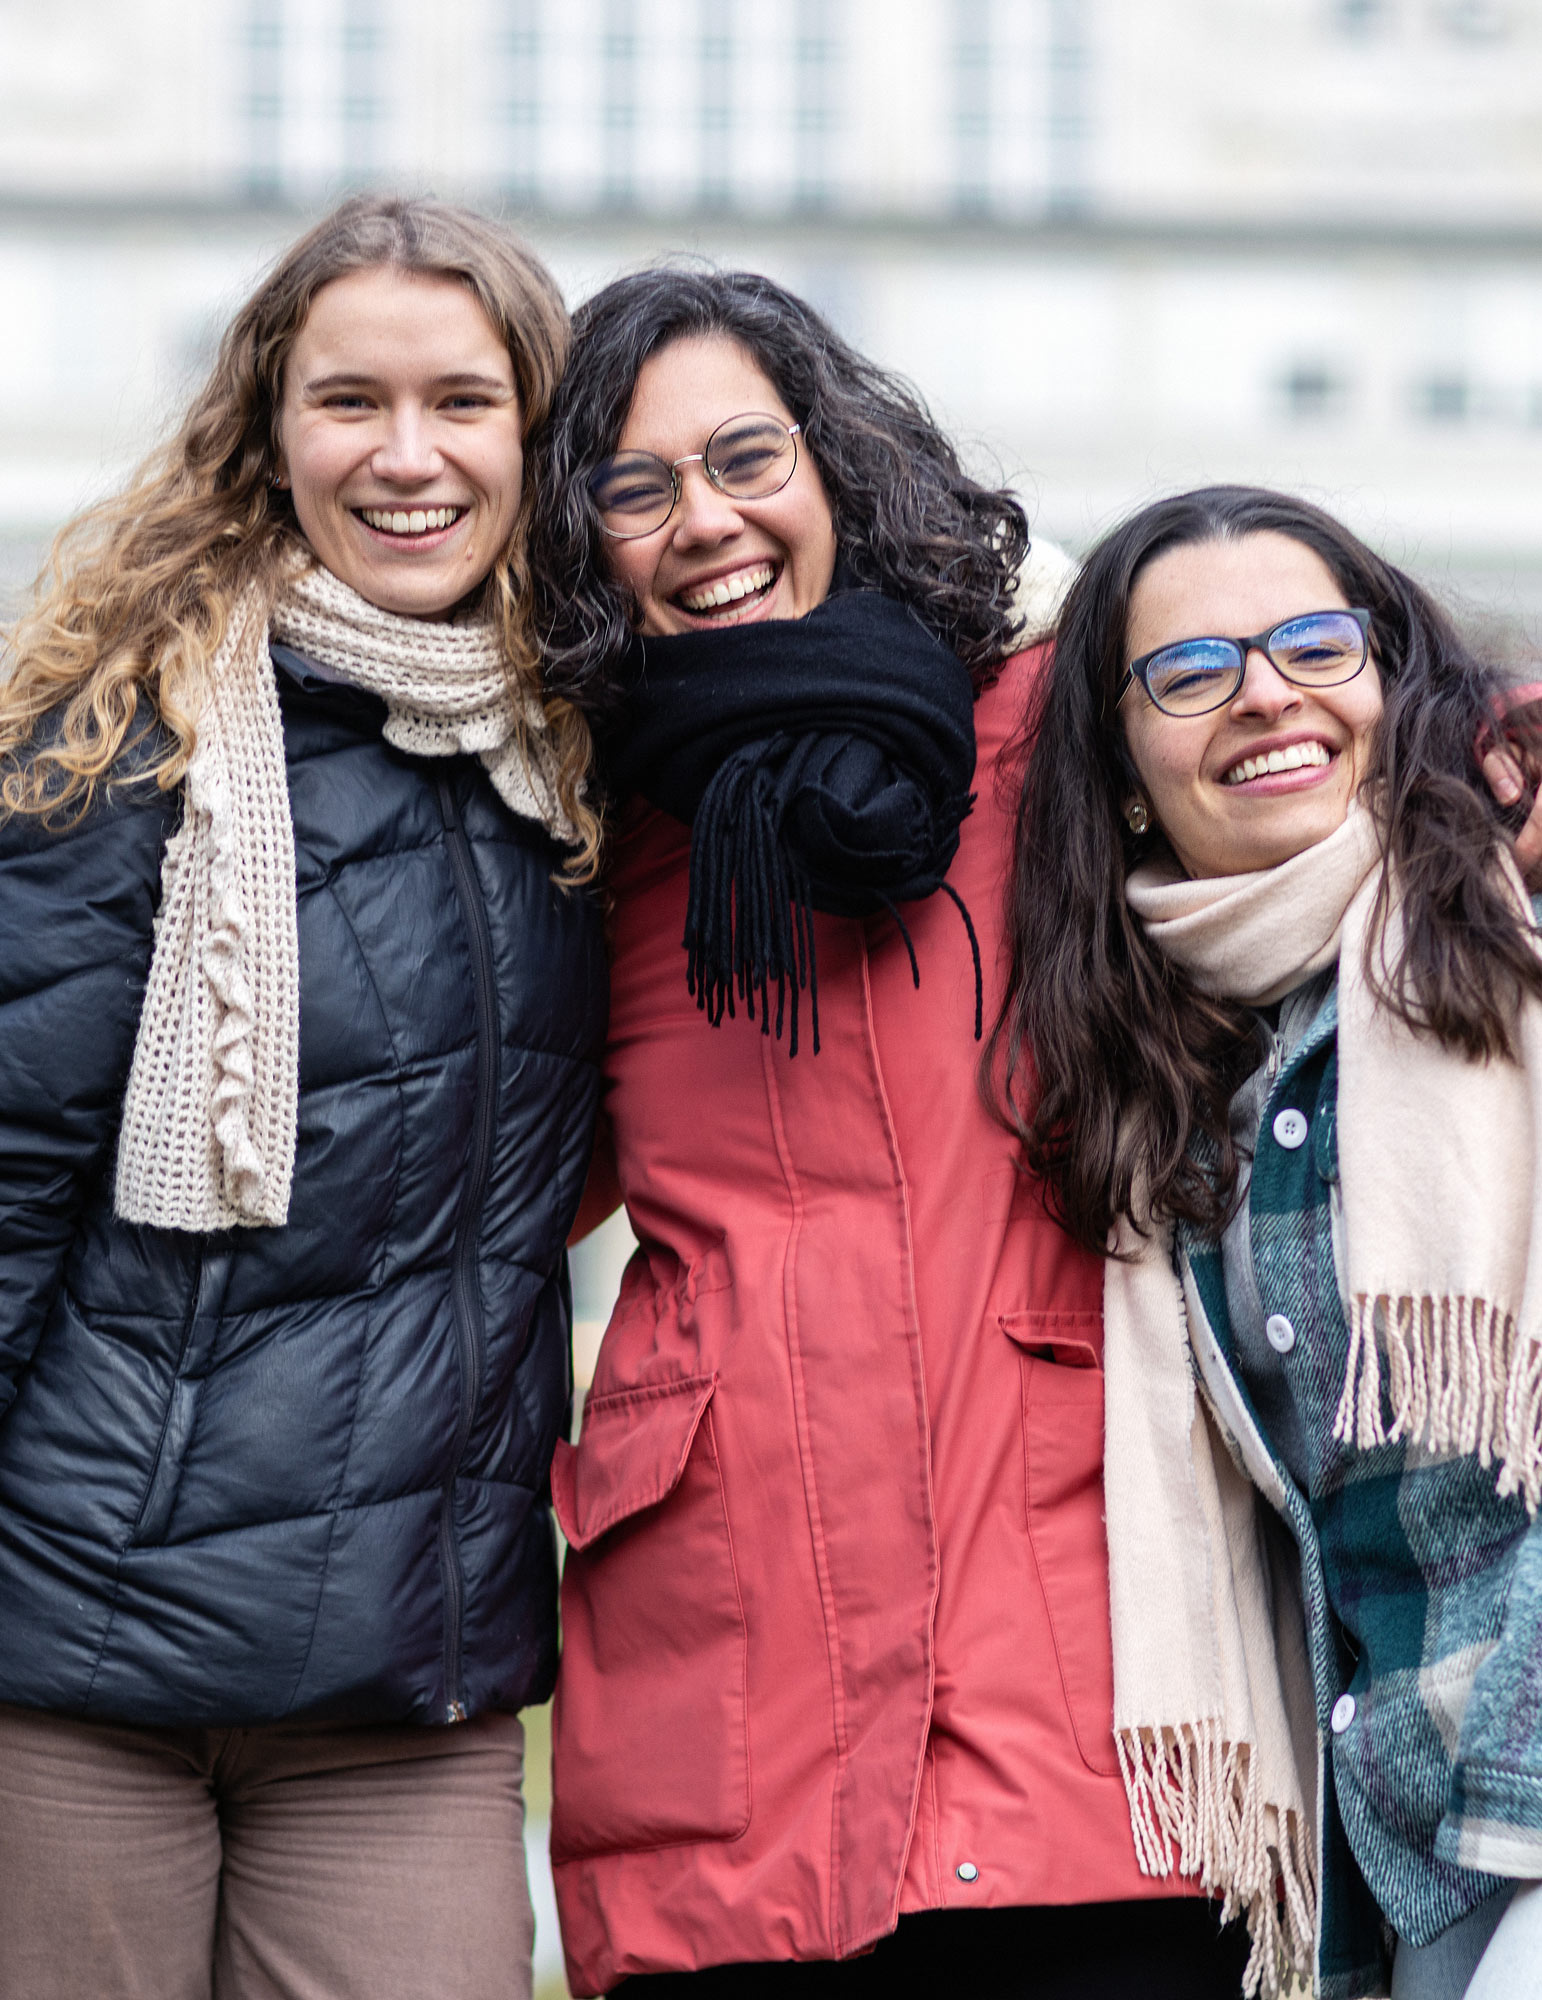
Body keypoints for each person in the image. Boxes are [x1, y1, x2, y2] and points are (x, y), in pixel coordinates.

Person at [528, 270, 1252, 1998]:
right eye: (635, 492)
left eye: (743, 456)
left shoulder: (1051, 745)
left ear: (835, 465)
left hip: (1086, 1727)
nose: (703, 518)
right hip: (736, 1738)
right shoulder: (578, 835)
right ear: (582, 549)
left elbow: (1345, 757)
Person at [0, 195, 606, 2000]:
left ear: (537, 437)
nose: (405, 456)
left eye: (462, 403)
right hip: (64, 1654)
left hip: (401, 1675)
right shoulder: (121, 749)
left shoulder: (585, 768)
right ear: (270, 431)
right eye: (350, 402)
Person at [998, 484, 1542, 1999]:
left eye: (1314, 643)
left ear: (1386, 677)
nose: (1265, 695)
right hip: (1378, 1866)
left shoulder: (1516, 960)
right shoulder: (1174, 1087)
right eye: (1189, 671)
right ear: (1117, 768)